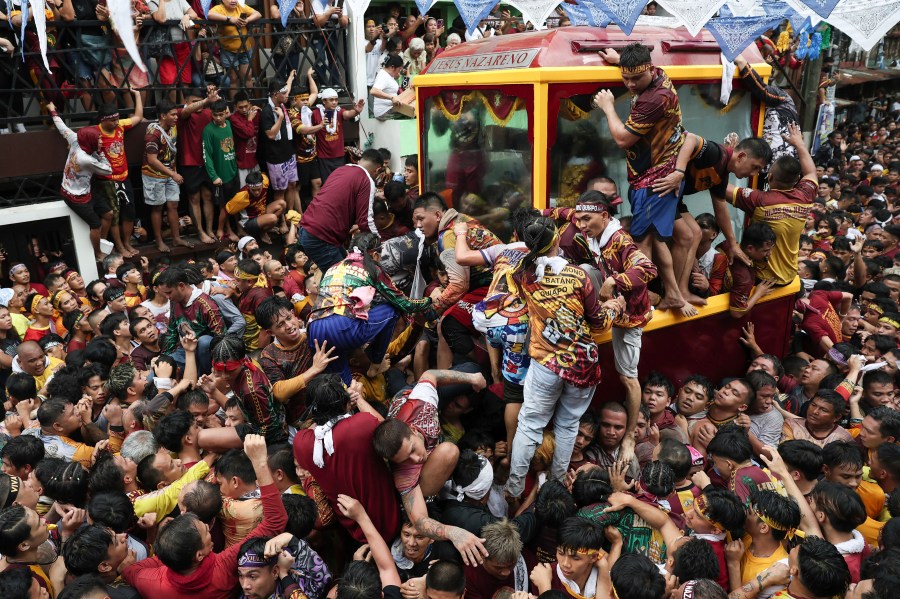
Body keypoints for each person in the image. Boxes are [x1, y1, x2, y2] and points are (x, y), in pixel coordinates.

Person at [504, 217, 624, 499]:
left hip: (545, 363)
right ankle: (557, 486)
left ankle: (514, 487)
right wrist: (615, 306)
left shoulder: (523, 274)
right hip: (581, 365)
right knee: (568, 425)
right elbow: (599, 323)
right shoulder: (578, 276)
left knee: (530, 425)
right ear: (556, 241)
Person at [121, 435, 288, 599]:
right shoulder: (224, 566)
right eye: (204, 531)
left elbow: (129, 571)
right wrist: (259, 463)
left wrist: (165, 545)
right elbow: (275, 521)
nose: (207, 527)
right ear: (200, 555)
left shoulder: (151, 582)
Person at [592, 42, 687, 313]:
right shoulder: (657, 72)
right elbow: (636, 67)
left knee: (643, 241)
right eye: (626, 78)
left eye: (636, 78)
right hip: (661, 171)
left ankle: (641, 301)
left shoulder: (653, 98)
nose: (631, 84)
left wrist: (608, 106)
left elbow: (622, 139)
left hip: (653, 179)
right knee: (667, 236)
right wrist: (619, 60)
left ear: (649, 71)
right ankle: (674, 293)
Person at [574, 190, 657, 462]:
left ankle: (631, 437)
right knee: (584, 271)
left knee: (627, 379)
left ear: (605, 216)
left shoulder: (620, 240)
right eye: (579, 220)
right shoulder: (595, 236)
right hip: (612, 303)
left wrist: (614, 282)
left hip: (630, 316)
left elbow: (648, 269)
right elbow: (562, 214)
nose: (582, 225)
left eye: (587, 219)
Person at [307, 232, 431, 384]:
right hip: (342, 326)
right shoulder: (371, 267)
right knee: (391, 309)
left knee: (344, 388)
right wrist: (429, 300)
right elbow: (404, 304)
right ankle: (376, 363)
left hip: (314, 330)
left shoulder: (333, 267)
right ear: (375, 254)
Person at [293, 375, 401, 544]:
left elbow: (318, 429)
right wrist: (359, 400)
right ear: (346, 403)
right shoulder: (362, 424)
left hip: (354, 532)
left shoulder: (302, 442)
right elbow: (390, 435)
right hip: (391, 520)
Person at [725, 122, 817, 287]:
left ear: (770, 177)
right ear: (797, 181)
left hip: (762, 280)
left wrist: (729, 156)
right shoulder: (805, 196)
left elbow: (720, 187)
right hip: (789, 277)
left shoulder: (759, 200)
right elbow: (811, 172)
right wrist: (799, 144)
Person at [80, 89, 144, 258]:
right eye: (113, 120)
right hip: (106, 180)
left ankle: (128, 242)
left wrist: (136, 95)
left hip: (124, 176)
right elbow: (78, 139)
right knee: (113, 214)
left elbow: (137, 117)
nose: (117, 122)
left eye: (117, 119)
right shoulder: (95, 132)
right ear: (103, 120)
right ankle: (120, 246)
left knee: (129, 212)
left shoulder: (121, 126)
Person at [298, 149, 383, 274]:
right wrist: (380, 243)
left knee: (344, 265)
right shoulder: (366, 179)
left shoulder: (342, 169)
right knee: (342, 278)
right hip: (321, 236)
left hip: (308, 229)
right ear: (378, 170)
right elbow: (365, 221)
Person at [47, 102, 113, 261]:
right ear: (90, 142)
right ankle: (97, 253)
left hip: (86, 189)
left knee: (109, 214)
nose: (101, 142)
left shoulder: (77, 139)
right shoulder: (85, 159)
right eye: (98, 140)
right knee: (95, 225)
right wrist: (101, 152)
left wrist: (53, 111)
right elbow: (108, 170)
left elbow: (62, 128)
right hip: (75, 197)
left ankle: (101, 242)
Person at [143, 99, 191, 253]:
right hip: (154, 175)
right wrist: (173, 174)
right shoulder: (153, 134)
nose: (176, 117)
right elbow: (152, 160)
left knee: (173, 205)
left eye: (176, 114)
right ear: (163, 116)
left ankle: (176, 238)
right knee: (157, 207)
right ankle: (159, 241)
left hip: (170, 172)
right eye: (172, 115)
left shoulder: (173, 127)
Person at [202, 99, 239, 242]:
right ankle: (223, 229)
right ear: (211, 114)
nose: (218, 118)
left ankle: (235, 228)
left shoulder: (229, 125)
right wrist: (214, 176)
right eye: (215, 115)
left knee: (234, 202)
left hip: (232, 171)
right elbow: (207, 156)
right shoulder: (208, 130)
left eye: (221, 114)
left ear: (226, 113)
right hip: (220, 176)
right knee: (224, 205)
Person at [311, 88, 365, 182]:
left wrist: (356, 111)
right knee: (327, 182)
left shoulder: (339, 111)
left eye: (336, 100)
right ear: (324, 101)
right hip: (324, 157)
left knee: (339, 182)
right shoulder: (316, 113)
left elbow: (348, 114)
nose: (334, 102)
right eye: (331, 100)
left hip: (339, 156)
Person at [371, 55, 405, 120]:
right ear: (392, 67)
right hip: (384, 111)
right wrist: (391, 98)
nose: (399, 72)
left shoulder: (389, 74)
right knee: (412, 111)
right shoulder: (383, 76)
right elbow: (373, 91)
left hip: (390, 108)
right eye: (399, 70)